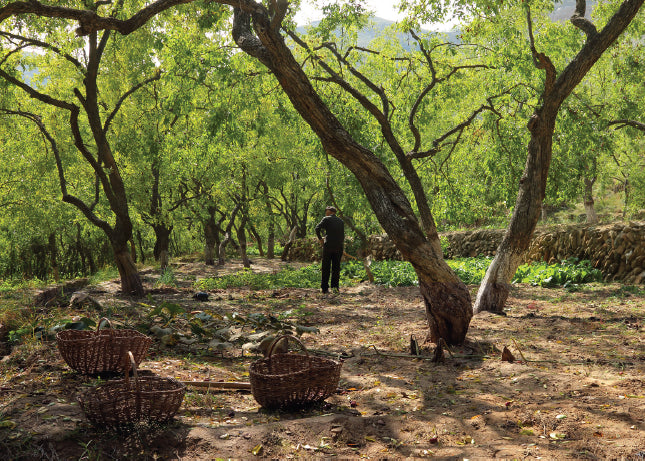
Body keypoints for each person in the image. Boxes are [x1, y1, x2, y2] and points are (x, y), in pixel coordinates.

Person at [315, 206, 345, 294]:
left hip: (328, 246)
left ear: (330, 211)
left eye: (326, 210)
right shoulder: (341, 221)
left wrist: (320, 239)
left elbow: (317, 228)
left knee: (326, 267)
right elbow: (342, 236)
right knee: (336, 268)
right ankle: (335, 288)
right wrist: (340, 245)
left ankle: (324, 288)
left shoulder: (326, 219)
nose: (325, 212)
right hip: (338, 246)